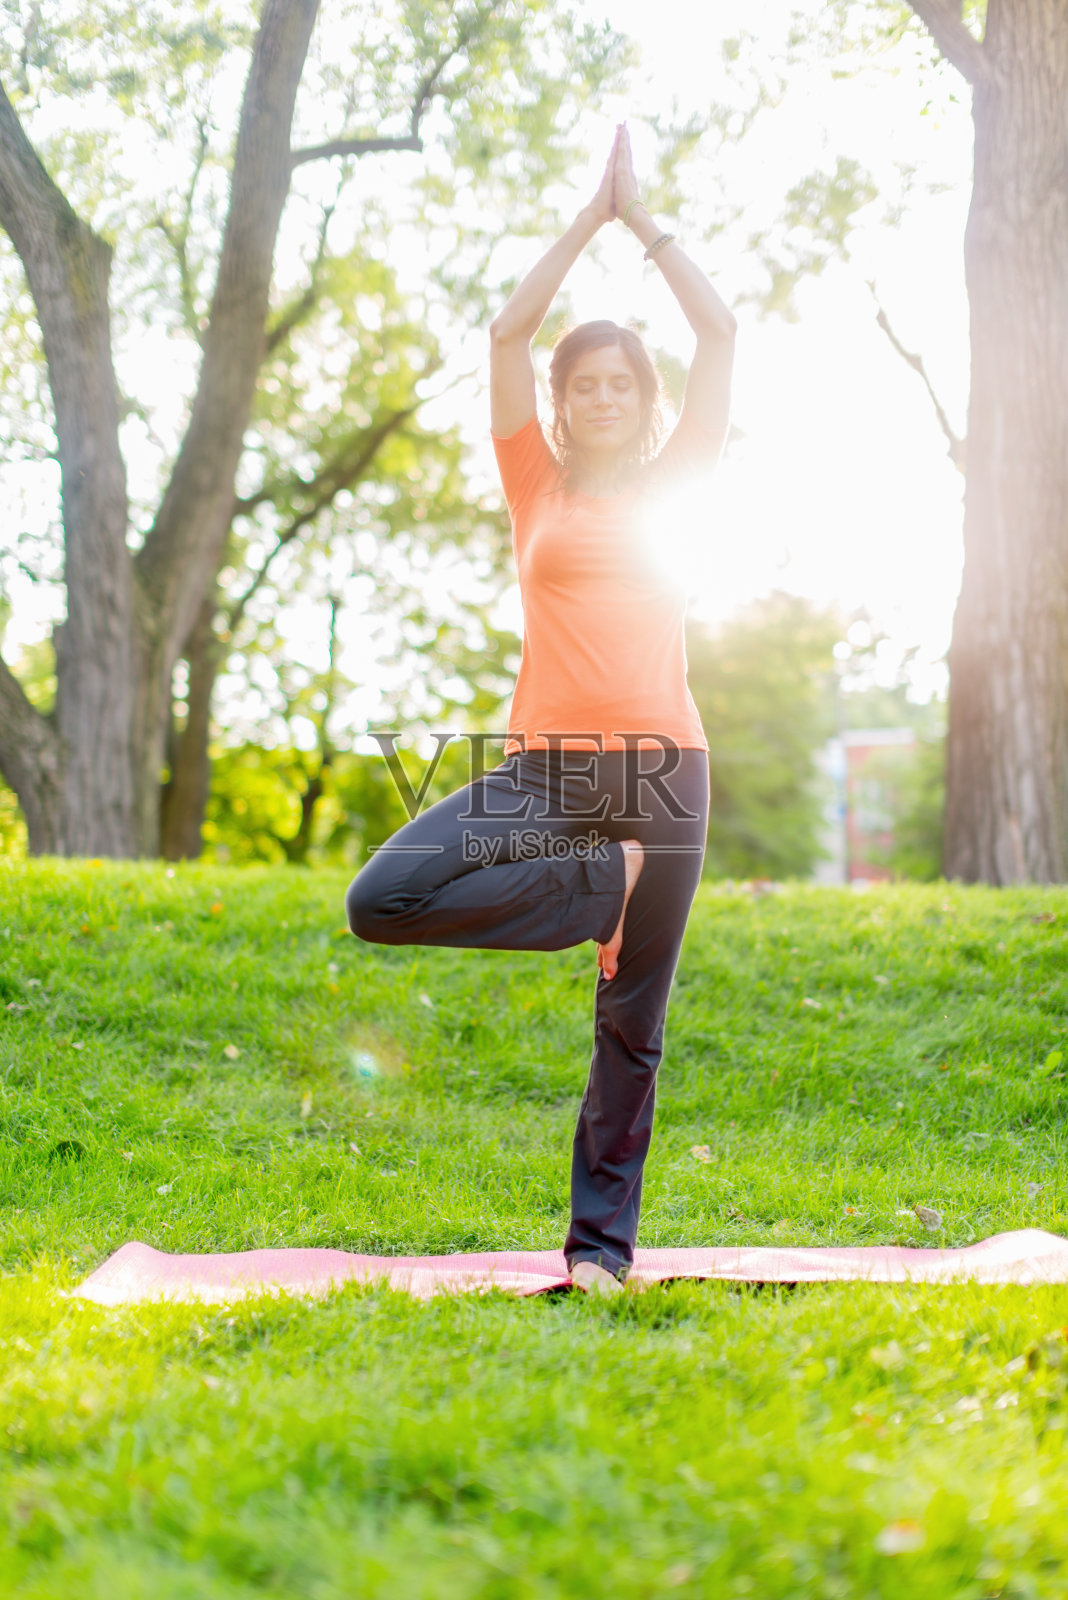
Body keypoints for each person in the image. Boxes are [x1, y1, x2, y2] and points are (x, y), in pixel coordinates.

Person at [346, 125, 736, 1295]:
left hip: (662, 780)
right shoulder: (534, 483)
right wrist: (587, 216)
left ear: (645, 402)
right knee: (386, 898)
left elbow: (721, 331)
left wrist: (647, 222)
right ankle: (587, 892)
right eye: (585, 384)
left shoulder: (682, 477)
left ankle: (600, 1251)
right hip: (545, 778)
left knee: (631, 1027)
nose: (602, 395)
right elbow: (507, 332)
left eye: (621, 382)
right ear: (562, 405)